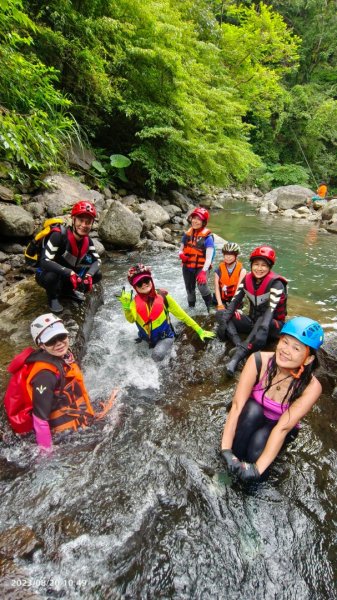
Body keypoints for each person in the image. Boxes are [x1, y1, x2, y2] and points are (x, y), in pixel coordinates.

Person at [220, 316, 324, 482]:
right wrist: (226, 450)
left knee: (257, 445)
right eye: (285, 342)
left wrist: (256, 470)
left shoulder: (311, 387)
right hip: (251, 415)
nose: (285, 350)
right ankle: (229, 473)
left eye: (296, 348)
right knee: (251, 413)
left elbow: (282, 428)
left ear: (309, 358)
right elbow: (238, 405)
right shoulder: (258, 361)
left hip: (280, 425)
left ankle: (253, 487)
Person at [116, 264, 215, 361]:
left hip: (165, 338)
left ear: (151, 280)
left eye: (146, 280)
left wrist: (199, 330)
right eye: (139, 283)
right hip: (146, 338)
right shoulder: (133, 303)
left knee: (157, 355)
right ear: (135, 287)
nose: (144, 284)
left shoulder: (164, 297)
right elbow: (131, 319)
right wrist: (126, 308)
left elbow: (182, 315)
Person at [27, 313, 95, 451]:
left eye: (61, 336)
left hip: (80, 424)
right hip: (65, 438)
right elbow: (40, 419)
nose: (59, 343)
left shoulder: (65, 357)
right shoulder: (44, 376)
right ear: (41, 345)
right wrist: (46, 454)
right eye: (51, 340)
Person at [218, 245, 288, 376]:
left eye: (264, 265)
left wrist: (263, 329)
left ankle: (238, 356)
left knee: (262, 320)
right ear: (251, 264)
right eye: (256, 264)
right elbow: (234, 303)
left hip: (273, 326)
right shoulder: (247, 279)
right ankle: (238, 343)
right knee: (222, 312)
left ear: (269, 268)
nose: (259, 268)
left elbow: (270, 311)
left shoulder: (276, 284)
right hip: (253, 323)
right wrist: (223, 322)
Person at [36, 200, 102, 313]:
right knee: (51, 277)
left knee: (97, 274)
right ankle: (53, 297)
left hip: (68, 275)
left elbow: (97, 261)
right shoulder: (58, 236)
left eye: (88, 222)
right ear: (73, 219)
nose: (84, 225)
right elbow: (44, 261)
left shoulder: (88, 241)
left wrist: (89, 275)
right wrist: (68, 272)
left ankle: (67, 290)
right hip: (49, 273)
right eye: (81, 220)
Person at [179, 207, 215, 312]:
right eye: (194, 218)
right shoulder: (186, 235)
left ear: (203, 222)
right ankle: (191, 309)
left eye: (198, 219)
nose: (195, 221)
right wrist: (181, 255)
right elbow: (180, 250)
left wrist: (204, 272)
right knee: (190, 290)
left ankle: (210, 306)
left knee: (202, 287)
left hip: (202, 267)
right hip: (187, 266)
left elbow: (208, 258)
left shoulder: (208, 238)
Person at [214, 241, 246, 310]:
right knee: (219, 313)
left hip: (235, 298)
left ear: (236, 256)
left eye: (231, 255)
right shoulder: (218, 270)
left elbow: (239, 289)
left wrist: (232, 306)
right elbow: (216, 288)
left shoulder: (242, 271)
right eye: (226, 254)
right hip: (222, 298)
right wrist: (220, 304)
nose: (228, 257)